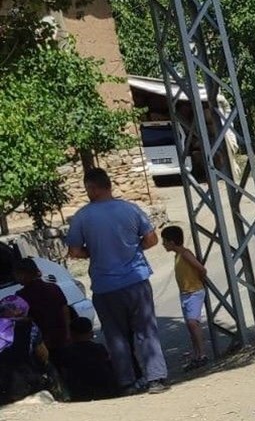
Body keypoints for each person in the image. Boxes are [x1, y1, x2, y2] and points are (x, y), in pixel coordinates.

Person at [65, 168, 170, 395]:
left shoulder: (82, 217)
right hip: (136, 280)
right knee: (146, 330)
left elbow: (74, 251)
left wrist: (93, 252)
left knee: (116, 336)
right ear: (109, 185)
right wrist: (134, 248)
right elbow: (152, 238)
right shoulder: (131, 209)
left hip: (105, 286)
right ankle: (156, 378)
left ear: (92, 188)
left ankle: (127, 383)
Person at [161, 225, 209, 370]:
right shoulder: (178, 256)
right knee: (190, 325)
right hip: (185, 293)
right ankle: (196, 354)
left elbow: (201, 268)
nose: (163, 244)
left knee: (193, 323)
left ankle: (202, 354)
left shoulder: (185, 254)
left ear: (172, 242)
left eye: (165, 241)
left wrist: (199, 280)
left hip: (194, 291)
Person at [13, 258, 70, 366]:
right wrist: (68, 332)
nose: (16, 278)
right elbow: (65, 309)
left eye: (17, 274)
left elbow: (24, 319)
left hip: (42, 342)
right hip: (61, 336)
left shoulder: (22, 295)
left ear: (24, 274)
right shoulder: (53, 287)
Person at [56, 317, 119, 402]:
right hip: (104, 389)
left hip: (80, 392)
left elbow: (63, 372)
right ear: (91, 333)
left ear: (72, 334)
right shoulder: (99, 348)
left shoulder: (66, 352)